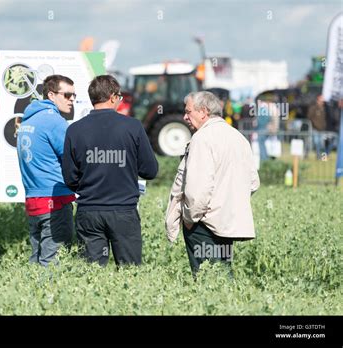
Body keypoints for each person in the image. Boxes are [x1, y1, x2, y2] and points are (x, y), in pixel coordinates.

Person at [62, 75, 158, 267]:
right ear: (113, 97)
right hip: (124, 210)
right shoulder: (133, 126)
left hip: (88, 211)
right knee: (130, 272)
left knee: (91, 274)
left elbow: (70, 178)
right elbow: (150, 170)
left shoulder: (74, 130)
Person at [165, 91, 260, 276]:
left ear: (203, 112)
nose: (185, 117)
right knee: (223, 274)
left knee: (207, 279)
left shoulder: (202, 139)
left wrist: (190, 219)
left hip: (203, 224)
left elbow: (197, 190)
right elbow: (253, 183)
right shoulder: (238, 137)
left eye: (188, 111)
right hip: (226, 222)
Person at [16, 74, 77, 266]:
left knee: (36, 259)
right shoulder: (54, 121)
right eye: (67, 95)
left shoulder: (28, 121)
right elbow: (73, 157)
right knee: (52, 263)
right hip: (55, 199)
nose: (72, 100)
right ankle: (49, 297)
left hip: (33, 200)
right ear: (51, 94)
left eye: (74, 95)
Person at [307, 95, 327, 159]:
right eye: (321, 101)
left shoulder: (324, 109)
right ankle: (317, 156)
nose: (322, 102)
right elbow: (309, 116)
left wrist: (324, 125)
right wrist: (314, 124)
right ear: (317, 100)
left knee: (322, 144)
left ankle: (324, 158)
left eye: (323, 101)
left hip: (322, 129)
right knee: (316, 143)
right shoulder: (313, 108)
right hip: (315, 129)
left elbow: (325, 119)